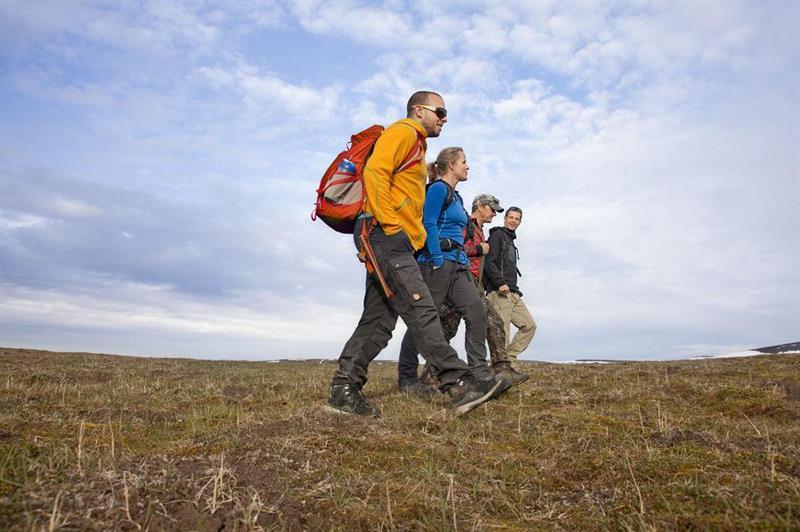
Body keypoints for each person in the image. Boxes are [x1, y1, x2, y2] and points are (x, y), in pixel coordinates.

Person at [326, 91, 510, 417]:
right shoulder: (403, 132)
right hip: (385, 235)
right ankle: (460, 385)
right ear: (418, 110)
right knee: (423, 309)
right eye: (439, 111)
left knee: (379, 323)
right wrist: (390, 226)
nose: (444, 118)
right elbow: (375, 173)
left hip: (389, 238)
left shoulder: (417, 145)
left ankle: (344, 388)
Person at [396, 149, 496, 394]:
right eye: (464, 162)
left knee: (477, 312)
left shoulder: (458, 197)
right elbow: (428, 222)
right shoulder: (438, 189)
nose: (467, 167)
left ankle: (480, 373)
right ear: (451, 165)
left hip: (458, 266)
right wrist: (437, 257)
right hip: (437, 264)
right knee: (425, 321)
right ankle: (407, 378)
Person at [483, 207, 536, 376]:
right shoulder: (498, 236)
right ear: (505, 218)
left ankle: (509, 359)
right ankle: (501, 371)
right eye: (511, 217)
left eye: (517, 218)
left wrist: (513, 289)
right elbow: (489, 262)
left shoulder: (510, 240)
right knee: (502, 332)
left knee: (529, 325)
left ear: (520, 222)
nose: (513, 221)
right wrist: (500, 283)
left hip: (513, 293)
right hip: (499, 292)